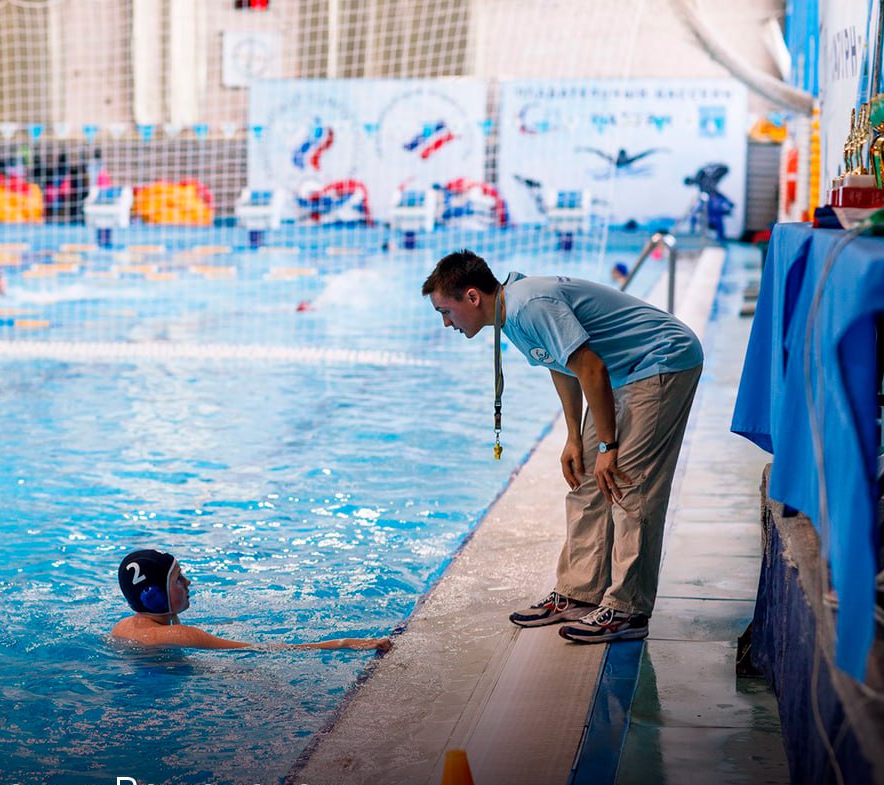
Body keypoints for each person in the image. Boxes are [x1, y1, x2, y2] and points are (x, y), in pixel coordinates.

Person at [422, 250, 702, 643]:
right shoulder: (508, 314)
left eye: (445, 312)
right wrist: (574, 437)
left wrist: (608, 445)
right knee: (586, 477)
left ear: (472, 296)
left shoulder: (529, 306)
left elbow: (591, 368)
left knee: (628, 482)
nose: (447, 323)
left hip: (660, 359)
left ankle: (628, 609)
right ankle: (580, 593)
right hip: (621, 371)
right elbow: (563, 365)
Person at [111, 549, 391, 651]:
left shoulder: (122, 627)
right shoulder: (183, 635)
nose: (188, 583)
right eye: (178, 579)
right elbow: (264, 649)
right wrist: (343, 643)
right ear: (154, 596)